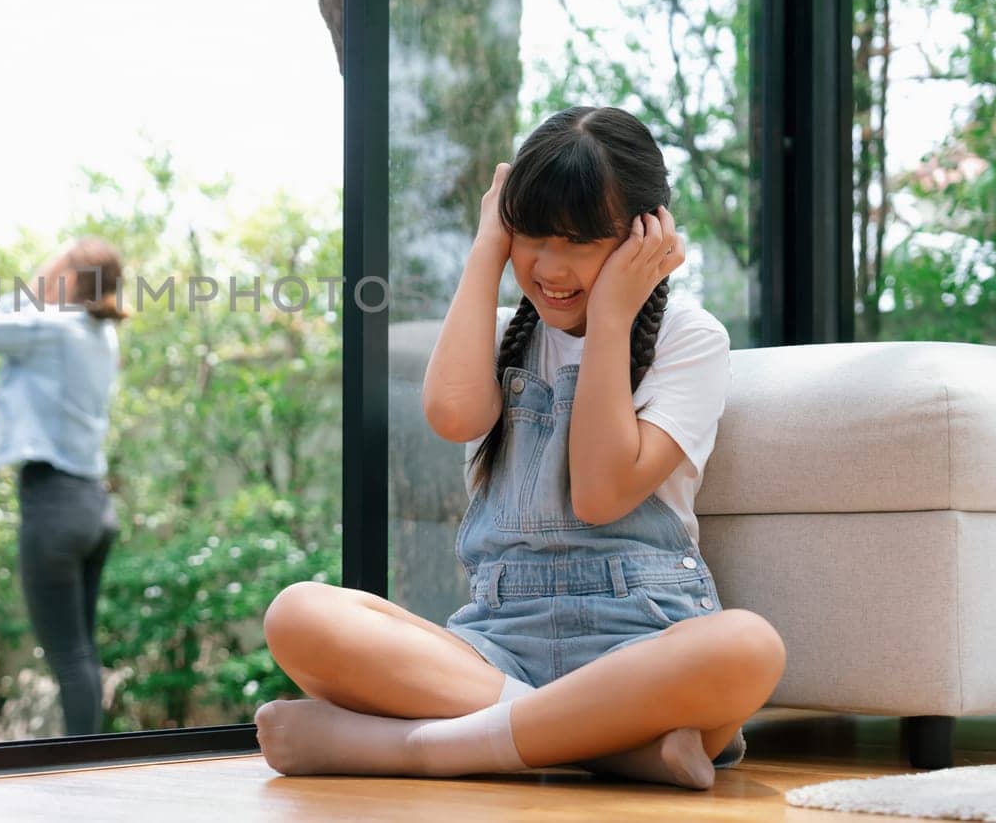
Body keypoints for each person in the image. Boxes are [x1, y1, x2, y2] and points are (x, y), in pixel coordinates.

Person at [254, 106, 785, 788]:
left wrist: (614, 315)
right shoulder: (502, 331)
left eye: (578, 240)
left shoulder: (690, 336)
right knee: (298, 613)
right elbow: (452, 413)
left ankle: (418, 749)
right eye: (531, 234)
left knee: (747, 646)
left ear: (642, 234)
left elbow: (599, 494)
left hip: (643, 641)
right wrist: (486, 248)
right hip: (497, 646)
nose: (549, 265)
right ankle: (598, 744)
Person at [0, 237, 126, 736]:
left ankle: (82, 769)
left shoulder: (53, 327)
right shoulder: (99, 333)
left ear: (68, 278)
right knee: (83, 652)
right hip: (93, 502)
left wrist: (26, 290)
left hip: (54, 502)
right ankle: (91, 761)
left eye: (52, 268)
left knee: (68, 656)